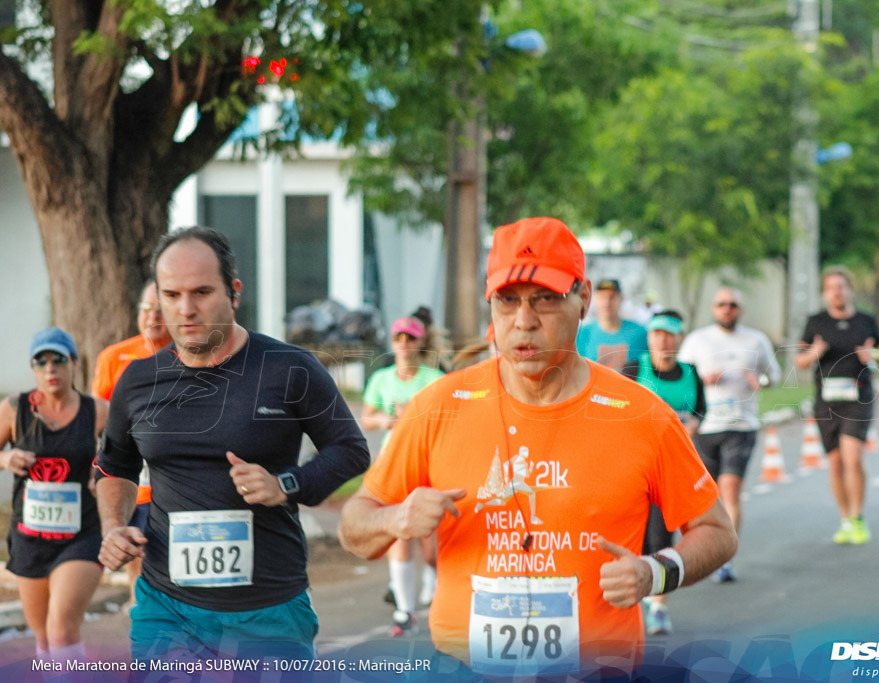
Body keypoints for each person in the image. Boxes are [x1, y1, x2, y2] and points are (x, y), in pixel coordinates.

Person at [338, 216, 737, 677]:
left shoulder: (641, 414)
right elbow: (355, 526)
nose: (524, 321)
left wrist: (655, 571)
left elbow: (717, 532)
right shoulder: (438, 406)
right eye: (507, 301)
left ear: (583, 298)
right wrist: (395, 517)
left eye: (545, 299)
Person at [94, 226, 370, 663]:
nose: (186, 309)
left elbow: (350, 449)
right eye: (172, 295)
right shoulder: (138, 381)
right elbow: (114, 467)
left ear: (234, 292)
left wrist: (287, 484)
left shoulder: (288, 368)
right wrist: (113, 526)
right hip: (167, 606)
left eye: (202, 292)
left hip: (267, 609)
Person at [0, 328, 108, 662]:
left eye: (59, 359)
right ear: (33, 368)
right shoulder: (13, 409)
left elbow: (126, 460)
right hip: (30, 536)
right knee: (45, 639)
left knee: (62, 629)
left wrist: (102, 474)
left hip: (83, 534)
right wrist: (5, 458)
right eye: (41, 361)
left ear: (75, 363)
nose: (50, 369)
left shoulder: (99, 411)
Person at [678, 287, 782, 581]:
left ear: (741, 310)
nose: (727, 309)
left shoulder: (756, 339)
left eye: (733, 305)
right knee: (709, 496)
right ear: (714, 309)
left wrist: (757, 379)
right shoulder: (698, 340)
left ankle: (725, 559)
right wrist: (701, 379)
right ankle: (712, 549)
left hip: (741, 425)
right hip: (706, 427)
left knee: (731, 489)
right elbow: (682, 376)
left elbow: (772, 376)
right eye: (722, 304)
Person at [621, 310, 705, 636]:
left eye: (669, 334)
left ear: (679, 338)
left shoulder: (690, 373)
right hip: (631, 469)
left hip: (669, 470)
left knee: (661, 538)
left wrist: (693, 424)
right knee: (636, 539)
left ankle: (658, 607)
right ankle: (640, 590)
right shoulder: (633, 370)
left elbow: (701, 411)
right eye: (656, 333)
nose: (662, 340)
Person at [795, 266, 879, 545]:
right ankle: (845, 518)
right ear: (826, 293)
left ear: (850, 289)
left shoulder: (866, 321)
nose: (837, 292)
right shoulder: (816, 322)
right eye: (831, 287)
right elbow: (799, 360)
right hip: (826, 401)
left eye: (841, 286)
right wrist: (813, 353)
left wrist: (872, 354)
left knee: (853, 457)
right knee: (835, 463)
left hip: (858, 397)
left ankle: (859, 517)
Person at [91, 279, 172, 612]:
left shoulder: (188, 355)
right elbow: (96, 417)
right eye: (147, 309)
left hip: (171, 479)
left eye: (160, 311)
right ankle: (141, 608)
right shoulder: (116, 357)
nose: (153, 317)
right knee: (136, 550)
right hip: (132, 479)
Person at [361, 316, 445, 635]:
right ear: (392, 342)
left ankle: (433, 582)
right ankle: (404, 611)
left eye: (410, 338)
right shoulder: (382, 379)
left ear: (420, 342)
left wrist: (415, 420)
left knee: (430, 545)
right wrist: (385, 419)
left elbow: (446, 419)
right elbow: (367, 418)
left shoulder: (434, 378)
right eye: (398, 337)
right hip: (394, 461)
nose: (404, 343)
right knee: (398, 530)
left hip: (429, 461)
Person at [576, 278, 648, 371]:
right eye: (602, 297)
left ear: (621, 299)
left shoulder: (640, 333)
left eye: (612, 297)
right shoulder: (582, 334)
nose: (607, 303)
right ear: (594, 300)